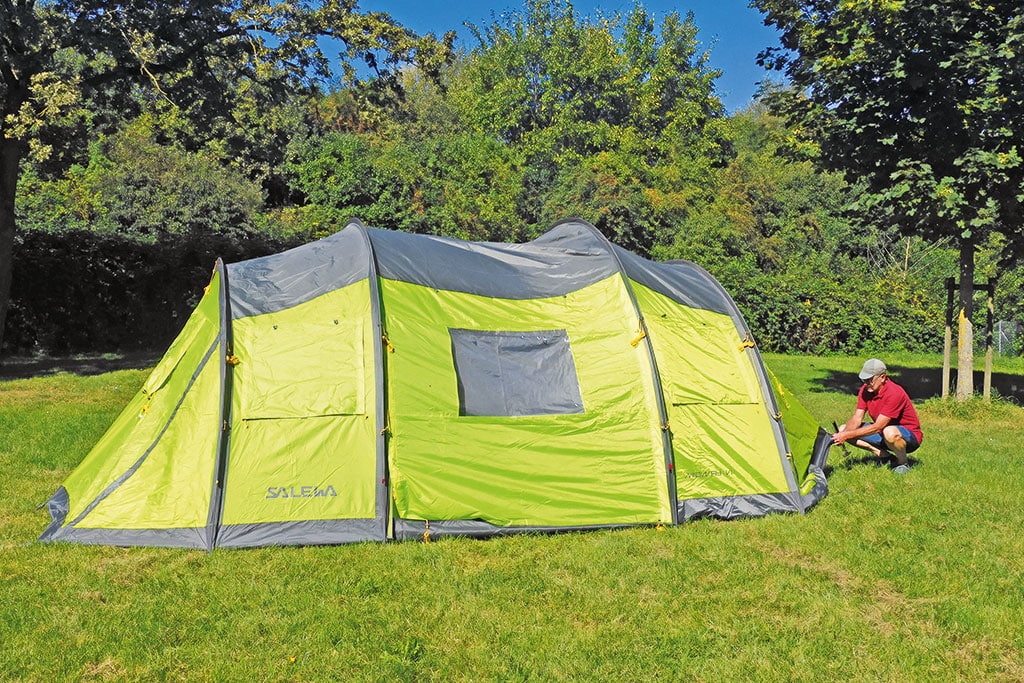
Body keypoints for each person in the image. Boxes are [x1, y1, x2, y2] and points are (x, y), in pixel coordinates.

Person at [832, 358, 923, 474]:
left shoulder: (894, 393)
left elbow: (879, 426)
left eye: (869, 379)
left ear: (883, 377)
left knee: (889, 431)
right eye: (864, 379)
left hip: (908, 436)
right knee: (842, 429)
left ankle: (902, 464)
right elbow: (857, 418)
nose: (866, 383)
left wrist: (846, 435)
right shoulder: (866, 390)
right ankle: (886, 457)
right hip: (883, 433)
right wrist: (842, 435)